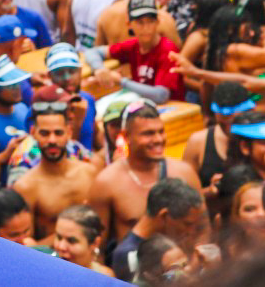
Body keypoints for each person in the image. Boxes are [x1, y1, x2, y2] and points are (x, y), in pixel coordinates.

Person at [89, 103, 203, 263]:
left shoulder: (184, 173)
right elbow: (97, 249)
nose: (158, 139)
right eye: (148, 134)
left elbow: (203, 230)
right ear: (126, 136)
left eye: (161, 131)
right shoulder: (106, 183)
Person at [13, 96, 98, 244]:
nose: (52, 140)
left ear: (69, 132)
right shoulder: (26, 187)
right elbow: (27, 245)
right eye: (45, 133)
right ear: (33, 133)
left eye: (58, 133)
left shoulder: (89, 172)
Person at [108, 176, 207, 281]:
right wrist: (192, 270)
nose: (191, 232)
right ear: (164, 216)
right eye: (187, 224)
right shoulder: (127, 255)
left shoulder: (175, 243)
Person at [181, 81, 258, 193]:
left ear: (250, 111)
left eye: (235, 123)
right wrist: (210, 192)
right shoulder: (198, 142)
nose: (230, 130)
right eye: (224, 124)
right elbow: (184, 195)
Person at [53, 203, 113, 274]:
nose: (61, 247)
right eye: (59, 237)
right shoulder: (45, 264)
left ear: (95, 243)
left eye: (71, 241)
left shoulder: (105, 278)